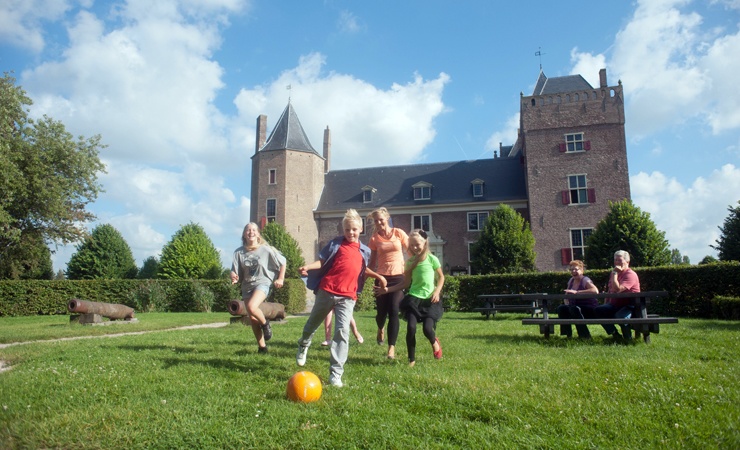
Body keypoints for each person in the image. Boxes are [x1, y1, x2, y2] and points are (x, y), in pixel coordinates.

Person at [296, 209, 386, 387]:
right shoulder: (335, 244)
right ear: (343, 230)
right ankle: (303, 344)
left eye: (354, 229)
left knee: (342, 333)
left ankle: (336, 374)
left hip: (348, 297)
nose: (351, 233)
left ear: (360, 229)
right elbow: (322, 261)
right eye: (347, 230)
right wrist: (308, 266)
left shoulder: (365, 251)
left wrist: (379, 276)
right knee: (312, 323)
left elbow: (362, 270)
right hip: (327, 291)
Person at [375, 229, 444, 367]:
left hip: (429, 300)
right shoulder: (410, 262)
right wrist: (387, 289)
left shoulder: (432, 259)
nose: (414, 247)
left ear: (425, 243)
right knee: (411, 327)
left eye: (417, 244)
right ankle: (411, 360)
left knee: (427, 329)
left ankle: (434, 342)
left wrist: (437, 291)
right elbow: (405, 283)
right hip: (413, 300)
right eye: (411, 245)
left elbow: (441, 277)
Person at [230, 222, 286, 354]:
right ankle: (262, 347)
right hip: (247, 287)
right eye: (248, 230)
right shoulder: (238, 252)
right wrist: (234, 276)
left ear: (258, 234)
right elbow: (234, 270)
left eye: (254, 230)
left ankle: (266, 324)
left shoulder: (265, 250)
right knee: (253, 319)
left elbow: (283, 262)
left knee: (252, 307)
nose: (251, 232)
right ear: (244, 234)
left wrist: (281, 278)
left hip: (263, 283)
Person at [367, 207, 409, 359]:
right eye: (376, 220)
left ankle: (391, 347)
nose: (379, 223)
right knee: (381, 313)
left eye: (381, 220)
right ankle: (380, 327)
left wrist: (416, 267)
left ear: (387, 219)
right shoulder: (374, 239)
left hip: (398, 277)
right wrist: (363, 278)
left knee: (394, 310)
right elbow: (371, 263)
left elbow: (410, 251)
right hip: (381, 278)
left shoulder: (399, 233)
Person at [594, 250, 641, 340]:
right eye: (615, 260)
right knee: (598, 310)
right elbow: (610, 290)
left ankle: (628, 339)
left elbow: (618, 289)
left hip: (630, 305)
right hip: (614, 304)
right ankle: (615, 335)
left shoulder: (630, 274)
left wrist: (615, 274)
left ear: (627, 262)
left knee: (621, 317)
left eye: (619, 260)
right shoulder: (614, 273)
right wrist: (605, 302)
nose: (617, 263)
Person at [557, 260, 599, 339]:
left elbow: (595, 291)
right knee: (561, 308)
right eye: (572, 270)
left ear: (582, 270)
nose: (573, 271)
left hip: (589, 307)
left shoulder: (585, 280)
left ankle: (585, 336)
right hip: (575, 307)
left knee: (575, 309)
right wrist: (567, 304)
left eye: (576, 269)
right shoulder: (571, 281)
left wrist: (577, 292)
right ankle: (567, 335)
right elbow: (566, 296)